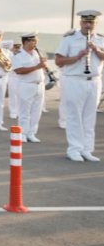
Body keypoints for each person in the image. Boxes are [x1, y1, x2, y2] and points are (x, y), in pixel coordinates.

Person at [55, 10, 104, 162]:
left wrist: (96, 49)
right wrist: (77, 57)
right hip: (75, 80)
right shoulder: (69, 39)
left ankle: (87, 149)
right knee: (74, 116)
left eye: (91, 22)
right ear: (80, 22)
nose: (88, 25)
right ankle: (74, 149)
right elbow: (59, 61)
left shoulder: (100, 39)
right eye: (85, 22)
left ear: (96, 23)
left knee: (89, 117)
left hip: (94, 80)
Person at [12, 33, 46, 143]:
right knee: (24, 112)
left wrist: (43, 65)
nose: (36, 43)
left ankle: (31, 133)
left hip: (39, 85)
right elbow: (18, 70)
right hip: (26, 85)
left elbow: (42, 68)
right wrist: (37, 66)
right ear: (26, 42)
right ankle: (22, 133)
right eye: (33, 41)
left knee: (36, 112)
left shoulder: (37, 53)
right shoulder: (18, 55)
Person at [7, 43, 21, 119]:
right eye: (15, 48)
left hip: (21, 77)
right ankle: (13, 112)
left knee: (21, 95)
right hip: (12, 77)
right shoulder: (9, 56)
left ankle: (19, 112)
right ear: (13, 49)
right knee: (13, 96)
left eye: (18, 48)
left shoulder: (22, 56)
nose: (17, 49)